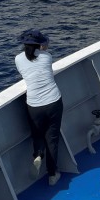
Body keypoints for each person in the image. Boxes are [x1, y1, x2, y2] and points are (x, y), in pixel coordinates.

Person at [14, 28, 64, 186]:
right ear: (39, 44)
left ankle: (38, 154)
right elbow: (43, 57)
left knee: (37, 135)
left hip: (34, 105)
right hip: (53, 102)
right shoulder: (47, 57)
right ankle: (52, 174)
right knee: (52, 139)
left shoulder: (18, 59)